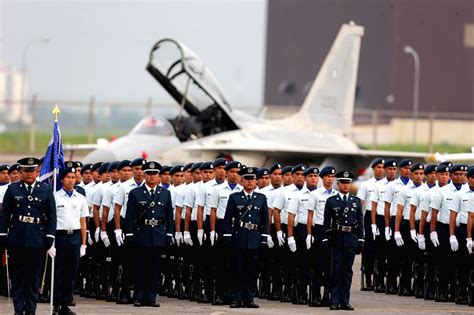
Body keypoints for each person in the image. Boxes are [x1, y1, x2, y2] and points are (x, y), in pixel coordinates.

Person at [0, 157, 57, 315]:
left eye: (32, 171)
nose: (29, 174)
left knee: (34, 278)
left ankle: (31, 310)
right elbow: (4, 215)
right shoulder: (12, 189)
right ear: (20, 172)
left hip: (37, 239)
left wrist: (50, 237)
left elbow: (52, 216)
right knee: (18, 278)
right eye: (26, 171)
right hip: (17, 238)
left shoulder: (45, 190)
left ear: (37, 171)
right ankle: (18, 309)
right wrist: (3, 234)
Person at [123, 161, 174, 307]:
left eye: (155, 174)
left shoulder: (165, 193)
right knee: (141, 267)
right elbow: (130, 216)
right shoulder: (135, 193)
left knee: (155, 268)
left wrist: (169, 234)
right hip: (142, 234)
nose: (152, 177)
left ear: (158, 176)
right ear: (144, 175)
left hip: (158, 234)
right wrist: (130, 234)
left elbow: (169, 215)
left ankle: (151, 297)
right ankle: (139, 296)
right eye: (149, 174)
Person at [223, 166, 269, 308]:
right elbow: (227, 219)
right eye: (247, 179)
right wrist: (228, 236)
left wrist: (264, 237)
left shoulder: (261, 198)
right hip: (239, 237)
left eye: (252, 179)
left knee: (252, 271)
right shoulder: (234, 197)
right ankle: (236, 298)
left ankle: (249, 298)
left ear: (256, 181)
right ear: (241, 180)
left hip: (254, 238)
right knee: (238, 270)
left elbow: (265, 220)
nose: (250, 182)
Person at [322, 171, 364, 311]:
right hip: (337, 238)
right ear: (338, 184)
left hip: (351, 238)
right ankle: (334, 300)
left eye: (348, 182)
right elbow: (326, 222)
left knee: (347, 271)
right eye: (343, 182)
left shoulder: (356, 201)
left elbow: (360, 222)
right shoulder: (331, 201)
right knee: (336, 270)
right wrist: (325, 238)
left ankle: (345, 301)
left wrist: (361, 239)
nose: (346, 185)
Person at [53, 167, 89, 315]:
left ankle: (66, 304)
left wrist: (83, 244)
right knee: (59, 272)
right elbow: (52, 220)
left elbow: (83, 222)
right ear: (62, 179)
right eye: (68, 177)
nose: (71, 180)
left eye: (73, 177)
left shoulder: (80, 198)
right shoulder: (55, 196)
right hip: (60, 236)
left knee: (71, 272)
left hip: (74, 237)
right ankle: (56, 304)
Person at [287, 166, 319, 305]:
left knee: (317, 264)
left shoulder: (323, 194)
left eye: (315, 176)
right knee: (302, 264)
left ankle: (315, 294)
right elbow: (291, 216)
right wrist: (290, 237)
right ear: (305, 178)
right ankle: (300, 293)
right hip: (301, 230)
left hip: (318, 229)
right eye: (310, 176)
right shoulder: (298, 195)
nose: (313, 178)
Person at [306, 166, 338, 306]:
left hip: (333, 231)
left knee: (331, 266)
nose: (330, 179)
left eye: (332, 177)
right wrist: (309, 234)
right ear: (322, 178)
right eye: (327, 177)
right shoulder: (315, 194)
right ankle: (315, 295)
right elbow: (310, 215)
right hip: (319, 230)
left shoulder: (336, 194)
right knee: (318, 264)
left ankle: (327, 295)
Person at [356, 158, 384, 291]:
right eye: (378, 167)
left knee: (382, 249)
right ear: (373, 169)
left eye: (383, 167)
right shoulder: (366, 185)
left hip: (384, 218)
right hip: (368, 217)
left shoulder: (389, 185)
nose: (381, 169)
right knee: (369, 249)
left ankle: (380, 279)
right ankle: (368, 278)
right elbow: (359, 203)